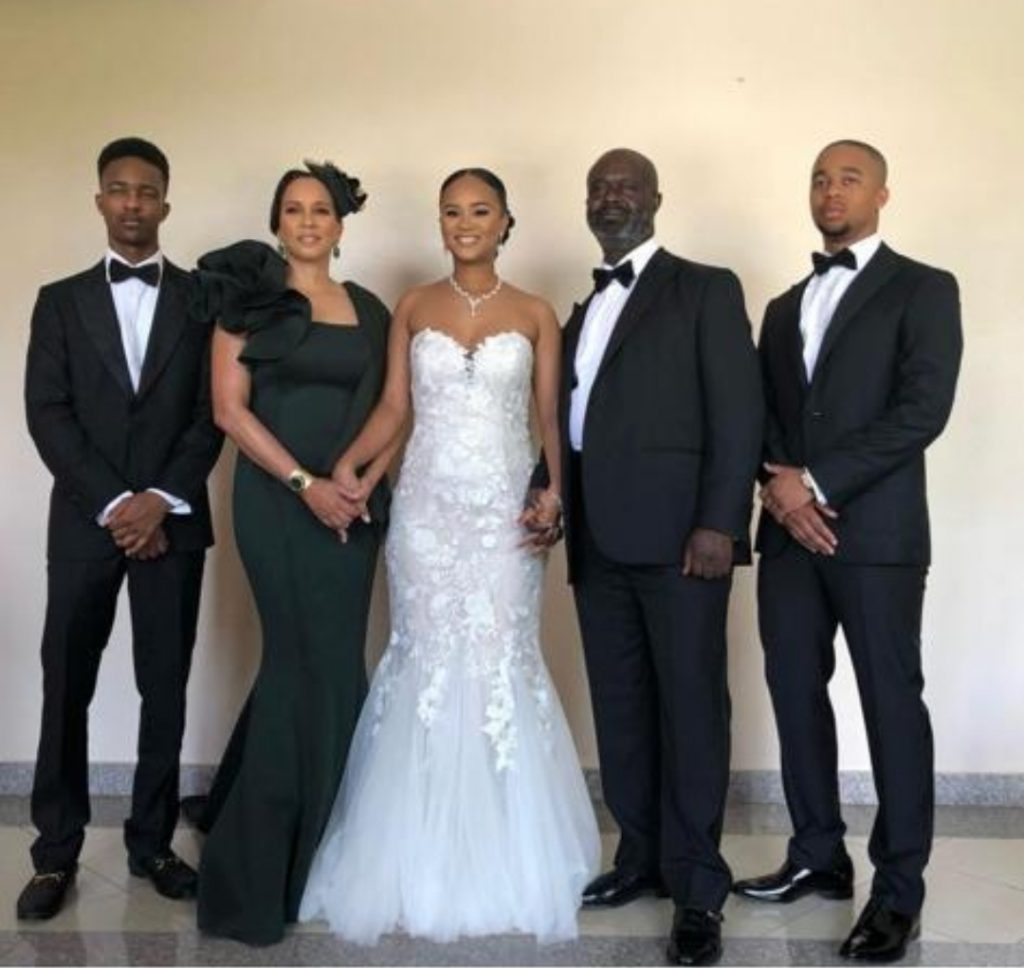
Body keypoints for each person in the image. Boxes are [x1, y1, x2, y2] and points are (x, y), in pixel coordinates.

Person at [298, 168, 600, 943]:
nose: (465, 223)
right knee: (424, 658)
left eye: (480, 211)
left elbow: (548, 417)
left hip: (504, 515)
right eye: (452, 212)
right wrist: (350, 467)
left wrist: (555, 494)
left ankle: (507, 854)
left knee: (499, 658)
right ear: (440, 223)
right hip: (426, 514)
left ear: (505, 222)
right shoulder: (413, 305)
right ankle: (412, 852)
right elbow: (394, 407)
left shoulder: (534, 313)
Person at [529, 148, 763, 967]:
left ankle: (699, 888)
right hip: (599, 541)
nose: (610, 198)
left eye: (625, 186)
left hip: (682, 544)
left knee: (692, 710)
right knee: (621, 704)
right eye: (598, 187)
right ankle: (641, 856)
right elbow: (568, 423)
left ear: (656, 200)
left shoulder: (706, 288)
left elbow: (738, 413)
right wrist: (546, 493)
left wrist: (720, 523)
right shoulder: (583, 308)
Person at [731, 140, 963, 964]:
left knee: (891, 704)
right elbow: (759, 413)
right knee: (794, 692)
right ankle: (817, 854)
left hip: (877, 537)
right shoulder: (782, 307)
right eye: (821, 179)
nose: (832, 192)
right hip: (789, 539)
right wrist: (780, 491)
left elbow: (923, 409)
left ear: (882, 195)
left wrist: (818, 483)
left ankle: (898, 892)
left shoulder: (925, 289)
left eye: (850, 179)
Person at [190, 161, 394, 946]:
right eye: (294, 209)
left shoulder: (370, 309)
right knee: (295, 663)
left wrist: (360, 483)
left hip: (352, 509)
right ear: (277, 222)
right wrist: (307, 484)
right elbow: (228, 411)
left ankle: (325, 846)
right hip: (279, 504)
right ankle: (256, 870)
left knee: (336, 665)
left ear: (341, 225)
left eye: (321, 210)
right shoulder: (246, 300)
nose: (308, 221)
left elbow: (396, 409)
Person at [18, 137, 222, 921]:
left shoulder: (203, 299)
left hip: (173, 523)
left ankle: (152, 844)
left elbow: (213, 413)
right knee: (66, 685)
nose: (133, 202)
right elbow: (48, 413)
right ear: (100, 200)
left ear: (166, 203)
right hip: (85, 523)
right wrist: (117, 504)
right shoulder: (58, 301)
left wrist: (160, 499)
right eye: (118, 189)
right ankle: (54, 853)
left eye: (146, 191)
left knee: (163, 686)